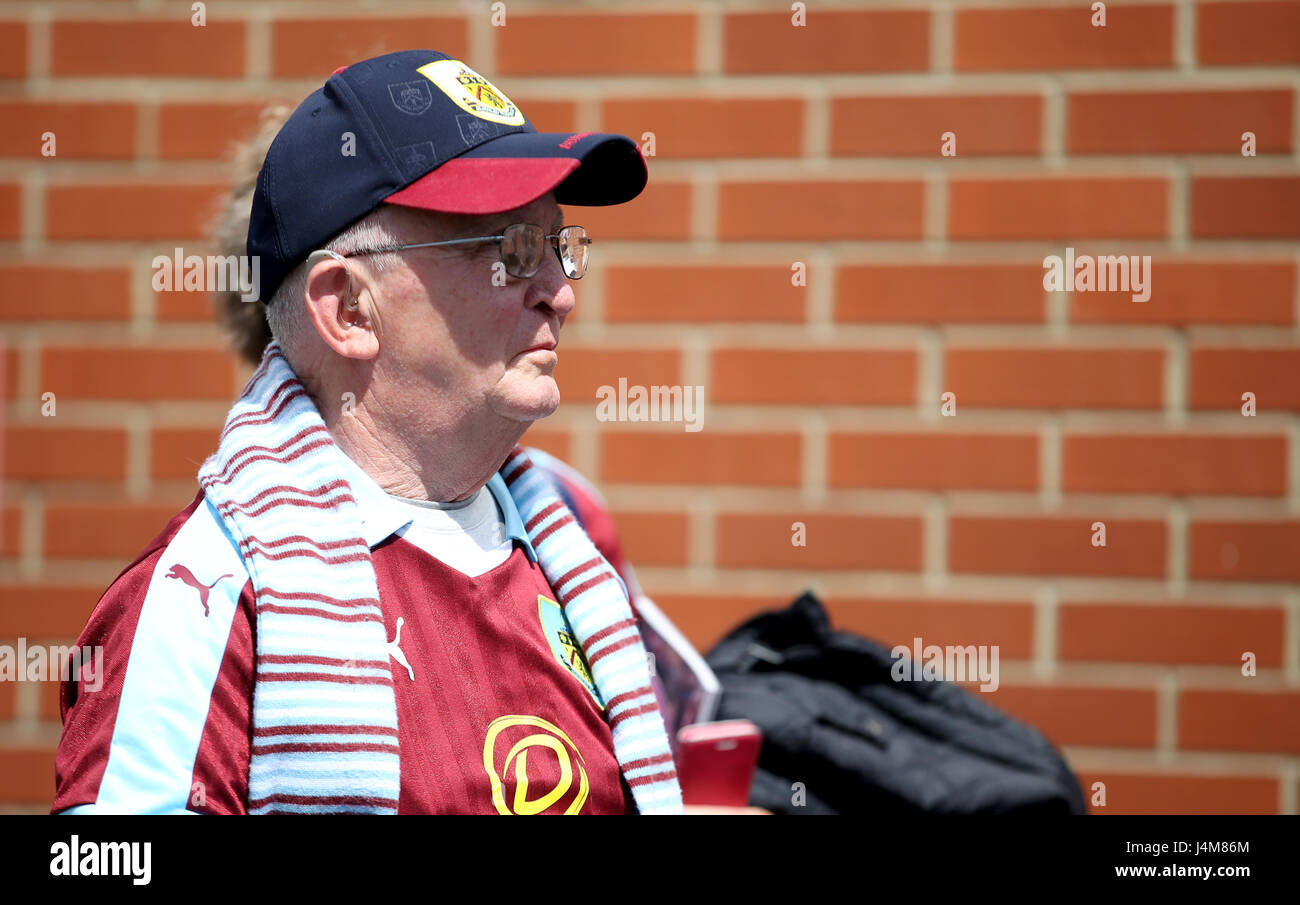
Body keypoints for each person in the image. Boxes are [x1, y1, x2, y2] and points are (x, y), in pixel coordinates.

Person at [51, 49, 682, 815]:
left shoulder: (567, 551)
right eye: (510, 249)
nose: (558, 293)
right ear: (347, 307)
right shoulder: (208, 596)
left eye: (558, 245)